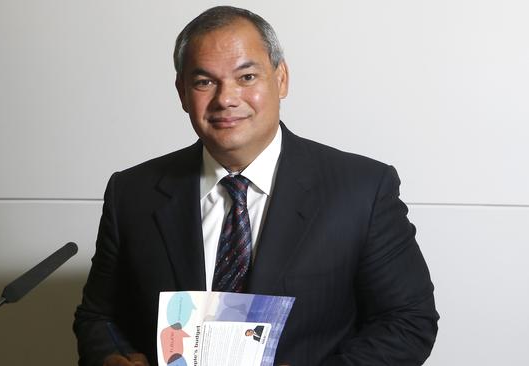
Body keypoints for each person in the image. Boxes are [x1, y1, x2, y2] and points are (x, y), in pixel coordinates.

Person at [74, 6, 439, 366]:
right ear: (182, 92)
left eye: (246, 77)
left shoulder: (362, 189)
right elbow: (98, 316)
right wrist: (111, 359)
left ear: (281, 79)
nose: (226, 98)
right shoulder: (133, 192)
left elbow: (408, 320)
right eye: (204, 82)